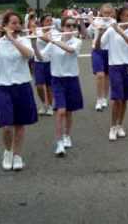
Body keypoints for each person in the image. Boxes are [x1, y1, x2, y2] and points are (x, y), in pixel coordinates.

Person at [0, 12, 38, 171]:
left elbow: (29, 55)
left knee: (20, 124)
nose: (16, 26)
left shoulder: (23, 40)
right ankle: (8, 152)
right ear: (5, 25)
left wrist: (13, 39)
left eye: (18, 23)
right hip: (3, 86)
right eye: (12, 23)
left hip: (22, 85)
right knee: (7, 125)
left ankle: (17, 155)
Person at [32, 16, 84, 157]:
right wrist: (34, 44)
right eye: (68, 25)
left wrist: (52, 40)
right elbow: (41, 57)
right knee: (60, 111)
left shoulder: (77, 41)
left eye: (74, 26)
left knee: (69, 111)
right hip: (57, 80)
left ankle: (67, 135)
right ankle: (59, 142)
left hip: (72, 79)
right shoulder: (53, 42)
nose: (71, 28)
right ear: (63, 27)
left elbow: (70, 50)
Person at [95, 7, 128, 141]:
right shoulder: (110, 30)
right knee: (117, 99)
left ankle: (120, 125)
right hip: (114, 66)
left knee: (125, 98)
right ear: (120, 17)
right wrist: (99, 32)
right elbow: (98, 47)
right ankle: (113, 127)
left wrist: (120, 31)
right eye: (126, 16)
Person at [87, 4, 115, 111]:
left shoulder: (113, 22)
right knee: (100, 75)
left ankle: (104, 98)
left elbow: (112, 31)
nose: (107, 15)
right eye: (105, 13)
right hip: (97, 50)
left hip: (110, 51)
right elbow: (88, 34)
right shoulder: (97, 21)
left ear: (112, 13)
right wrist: (92, 23)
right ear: (101, 12)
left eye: (109, 13)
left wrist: (92, 22)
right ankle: (99, 99)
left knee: (107, 76)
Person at [31, 14, 54, 116]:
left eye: (51, 21)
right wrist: (34, 31)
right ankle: (44, 103)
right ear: (42, 22)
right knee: (39, 85)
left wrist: (36, 32)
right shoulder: (37, 31)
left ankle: (50, 105)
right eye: (47, 21)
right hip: (38, 61)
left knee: (49, 86)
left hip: (50, 61)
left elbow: (49, 40)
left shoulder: (54, 32)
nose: (49, 23)